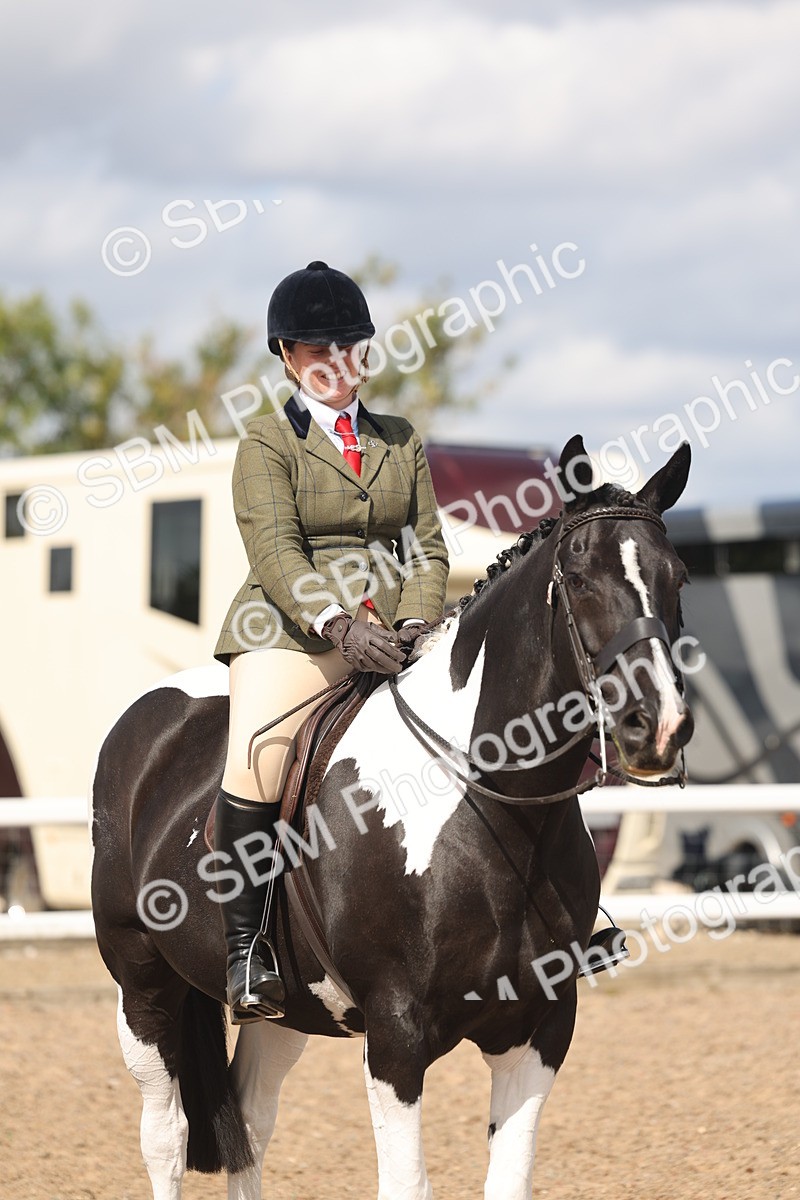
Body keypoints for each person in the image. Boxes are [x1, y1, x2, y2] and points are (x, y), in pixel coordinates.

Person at [212, 261, 450, 1022]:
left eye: (348, 350)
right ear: (286, 356)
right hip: (288, 631)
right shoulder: (265, 442)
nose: (334, 366)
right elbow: (276, 550)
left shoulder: (401, 440)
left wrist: (412, 625)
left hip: (392, 633)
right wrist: (339, 626)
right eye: (317, 352)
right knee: (258, 754)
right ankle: (247, 950)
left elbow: (428, 548)